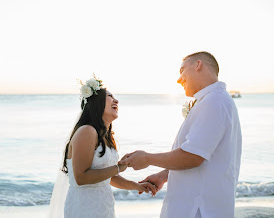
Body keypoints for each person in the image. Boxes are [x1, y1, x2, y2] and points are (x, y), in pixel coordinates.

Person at [120, 52, 242, 218]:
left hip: (198, 210)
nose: (179, 79)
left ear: (198, 65)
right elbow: (203, 157)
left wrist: (147, 158)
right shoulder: (213, 100)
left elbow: (193, 157)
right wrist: (164, 175)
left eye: (182, 70)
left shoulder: (214, 102)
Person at [49, 75, 156, 218]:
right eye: (110, 96)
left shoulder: (105, 136)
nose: (116, 100)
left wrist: (136, 186)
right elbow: (81, 177)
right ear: (96, 103)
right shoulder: (86, 131)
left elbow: (107, 177)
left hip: (103, 207)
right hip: (84, 208)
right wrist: (118, 168)